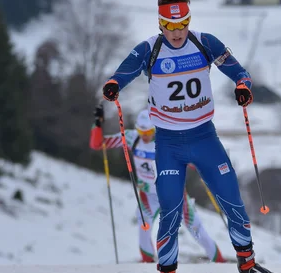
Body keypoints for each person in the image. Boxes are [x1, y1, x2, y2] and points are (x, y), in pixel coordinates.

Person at [101, 0, 281, 273]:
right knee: (170, 211)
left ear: (189, 20)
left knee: (232, 200)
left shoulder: (205, 42)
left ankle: (247, 265)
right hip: (169, 143)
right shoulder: (149, 49)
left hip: (204, 138)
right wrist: (114, 85)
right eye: (170, 27)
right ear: (161, 24)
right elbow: (122, 74)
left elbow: (240, 72)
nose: (177, 32)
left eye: (183, 24)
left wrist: (243, 87)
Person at [89, 105, 226, 264]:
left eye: (148, 132)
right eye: (141, 132)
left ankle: (220, 262)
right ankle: (147, 263)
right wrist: (97, 124)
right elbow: (97, 144)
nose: (145, 136)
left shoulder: (167, 140)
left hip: (174, 193)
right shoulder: (132, 138)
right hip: (148, 195)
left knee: (195, 228)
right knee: (144, 225)